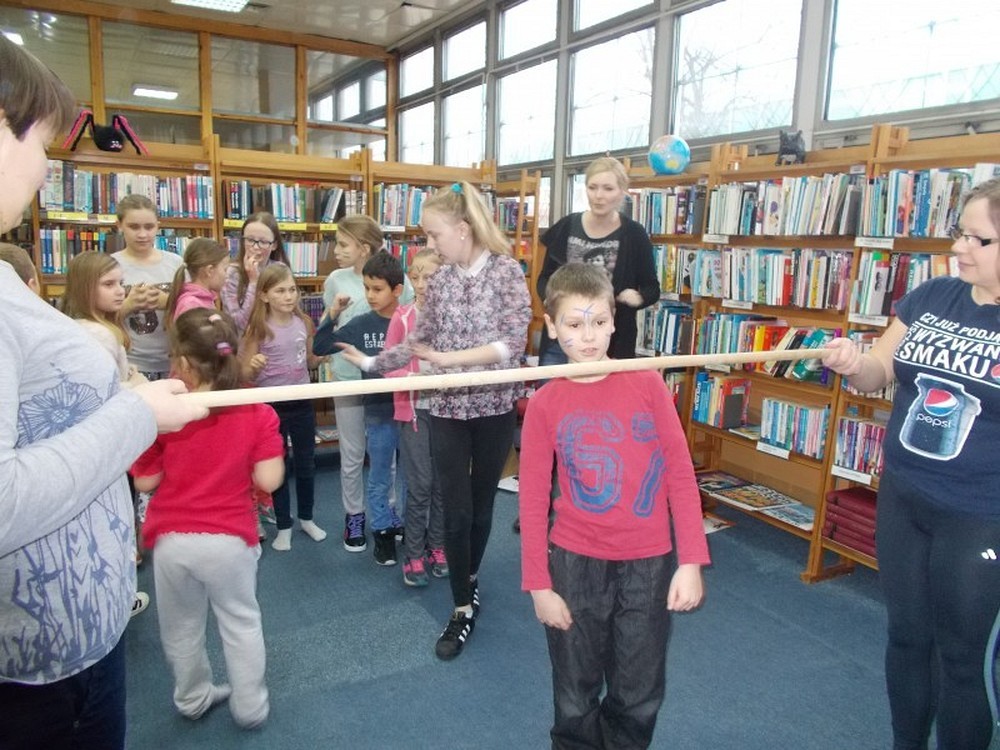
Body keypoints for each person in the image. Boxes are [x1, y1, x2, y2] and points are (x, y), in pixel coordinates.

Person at [0, 35, 206, 749]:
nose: (44, 165)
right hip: (39, 670)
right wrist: (137, 413)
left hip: (78, 637)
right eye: (39, 142)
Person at [822, 178, 1000, 750]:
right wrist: (853, 364)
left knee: (962, 657)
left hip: (980, 514)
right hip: (904, 494)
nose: (960, 248)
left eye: (978, 239)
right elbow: (878, 370)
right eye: (959, 233)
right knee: (906, 638)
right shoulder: (932, 297)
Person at [519, 263, 710, 749]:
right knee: (574, 687)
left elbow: (680, 475)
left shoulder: (647, 385)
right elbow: (533, 499)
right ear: (552, 326)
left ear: (613, 321)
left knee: (639, 689)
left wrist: (690, 561)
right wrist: (539, 585)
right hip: (574, 562)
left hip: (648, 562)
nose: (588, 337)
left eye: (599, 322)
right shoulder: (545, 403)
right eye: (574, 324)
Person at [341, 181, 531, 660]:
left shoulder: (506, 271)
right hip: (446, 408)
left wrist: (451, 361)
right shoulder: (442, 280)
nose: (429, 244)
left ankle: (470, 577)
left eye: (433, 234)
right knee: (456, 509)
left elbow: (514, 344)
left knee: (482, 506)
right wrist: (372, 363)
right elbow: (418, 342)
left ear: (462, 229)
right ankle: (462, 607)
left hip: (493, 406)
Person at [132, 308, 284, 729]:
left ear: (181, 361)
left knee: (180, 627)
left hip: (171, 541)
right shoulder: (255, 409)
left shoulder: (167, 414)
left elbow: (145, 481)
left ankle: (192, 698)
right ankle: (250, 707)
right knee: (240, 622)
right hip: (228, 540)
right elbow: (269, 479)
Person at [322, 214, 411, 552]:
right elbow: (328, 324)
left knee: (385, 454)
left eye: (343, 244)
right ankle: (354, 515)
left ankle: (386, 513)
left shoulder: (398, 280)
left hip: (383, 382)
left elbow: (406, 323)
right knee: (352, 453)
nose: (336, 250)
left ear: (364, 248)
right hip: (347, 379)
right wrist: (333, 314)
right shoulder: (335, 279)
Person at [536, 156, 659, 363]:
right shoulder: (566, 226)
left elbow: (652, 288)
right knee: (554, 384)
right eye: (592, 187)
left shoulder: (634, 234)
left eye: (608, 189)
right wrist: (550, 299)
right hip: (562, 340)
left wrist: (639, 298)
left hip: (612, 341)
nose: (599, 196)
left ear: (622, 191)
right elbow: (544, 278)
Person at [242, 263, 327, 551]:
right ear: (264, 295)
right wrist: (253, 366)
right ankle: (283, 525)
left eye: (292, 290)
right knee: (276, 465)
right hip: (271, 407)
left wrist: (323, 356)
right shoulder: (258, 328)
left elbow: (309, 360)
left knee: (306, 462)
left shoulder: (304, 322)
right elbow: (245, 372)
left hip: (302, 401)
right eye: (280, 291)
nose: (289, 296)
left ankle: (307, 518)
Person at [383, 247, 449, 585]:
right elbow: (387, 365)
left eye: (430, 276)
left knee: (442, 485)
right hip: (414, 413)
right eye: (417, 276)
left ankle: (436, 545)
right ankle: (413, 553)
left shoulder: (454, 316)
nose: (422, 284)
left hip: (447, 412)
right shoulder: (403, 317)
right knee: (420, 484)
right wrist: (412, 376)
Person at [112, 193, 184, 380]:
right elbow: (96, 320)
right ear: (119, 226)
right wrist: (128, 305)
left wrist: (169, 302)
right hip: (130, 364)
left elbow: (197, 310)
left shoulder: (176, 263)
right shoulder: (109, 266)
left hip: (175, 362)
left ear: (158, 227)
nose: (142, 234)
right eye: (134, 227)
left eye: (149, 227)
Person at [63, 251, 145, 387]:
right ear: (84, 289)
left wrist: (126, 370)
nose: (121, 291)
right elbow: (102, 390)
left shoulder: (80, 326)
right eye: (108, 284)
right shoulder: (98, 334)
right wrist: (136, 383)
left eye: (121, 283)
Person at [221, 211, 291, 334]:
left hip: (276, 337)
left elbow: (288, 312)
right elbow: (239, 324)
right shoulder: (232, 273)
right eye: (250, 240)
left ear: (274, 245)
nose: (255, 247)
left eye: (263, 242)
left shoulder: (280, 269)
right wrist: (253, 283)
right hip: (244, 341)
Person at [165, 237, 230, 323]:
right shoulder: (191, 305)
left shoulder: (205, 299)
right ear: (209, 270)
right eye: (225, 269)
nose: (227, 275)